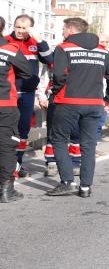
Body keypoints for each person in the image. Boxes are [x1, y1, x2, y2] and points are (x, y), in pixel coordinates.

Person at [45, 18, 109, 198]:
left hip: (68, 102)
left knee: (59, 139)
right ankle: (85, 187)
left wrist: (55, 92)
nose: (62, 32)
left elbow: (59, 75)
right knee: (88, 145)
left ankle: (67, 182)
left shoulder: (64, 48)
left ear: (71, 30)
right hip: (95, 104)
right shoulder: (103, 52)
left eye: (63, 28)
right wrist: (108, 100)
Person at [4, 15, 54, 177]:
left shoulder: (35, 43)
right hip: (7, 94)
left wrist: (40, 40)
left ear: (31, 28)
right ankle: (7, 167)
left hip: (26, 94)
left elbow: (49, 59)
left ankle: (17, 165)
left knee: (22, 131)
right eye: (17, 27)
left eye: (24, 28)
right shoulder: (4, 41)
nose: (20, 31)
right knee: (5, 132)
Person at [0, 16, 33, 203]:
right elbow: (27, 72)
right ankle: (6, 190)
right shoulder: (9, 49)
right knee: (5, 147)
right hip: (4, 104)